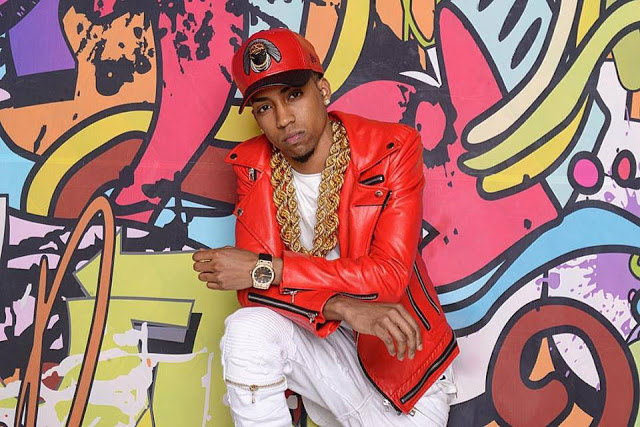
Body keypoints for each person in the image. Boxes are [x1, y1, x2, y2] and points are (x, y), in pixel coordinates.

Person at [192, 28, 458, 426]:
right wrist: (341, 306)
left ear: (323, 89)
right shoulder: (254, 166)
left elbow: (387, 277)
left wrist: (270, 268)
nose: (283, 119)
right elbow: (256, 293)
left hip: (403, 371)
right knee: (246, 329)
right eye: (264, 107)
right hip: (322, 354)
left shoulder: (390, 149)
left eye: (294, 95)